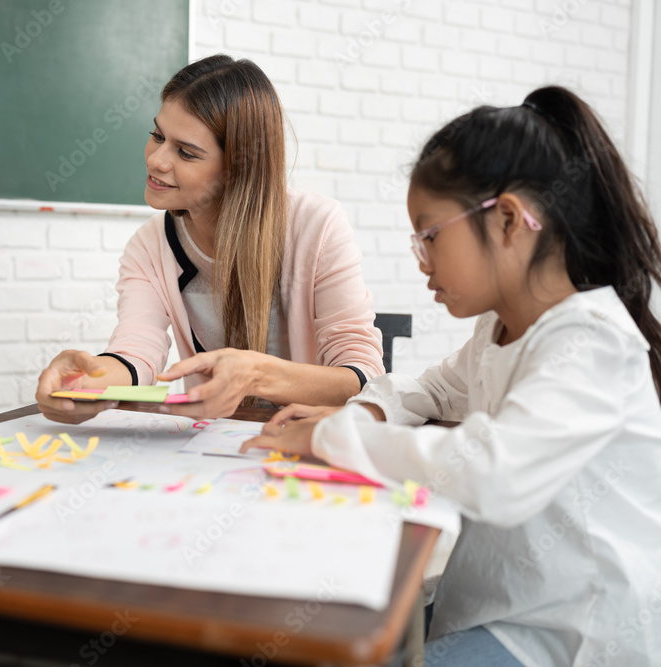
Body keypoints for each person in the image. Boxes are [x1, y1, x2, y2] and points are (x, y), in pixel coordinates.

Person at [244, 86, 661, 666]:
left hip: (567, 636)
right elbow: (435, 389)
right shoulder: (502, 326)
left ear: (510, 220)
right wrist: (363, 411)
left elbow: (495, 472)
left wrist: (328, 438)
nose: (421, 259)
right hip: (497, 605)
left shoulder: (590, 340)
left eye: (431, 234)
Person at [36, 54, 384, 423]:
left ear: (237, 170)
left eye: (186, 152)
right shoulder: (150, 245)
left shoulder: (317, 226)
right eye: (157, 136)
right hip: (214, 445)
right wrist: (88, 382)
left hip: (308, 445)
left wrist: (257, 374)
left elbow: (363, 379)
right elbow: (137, 350)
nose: (156, 160)